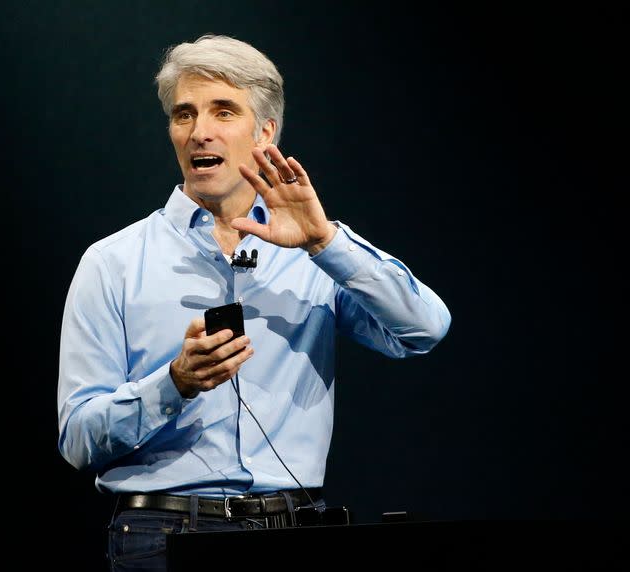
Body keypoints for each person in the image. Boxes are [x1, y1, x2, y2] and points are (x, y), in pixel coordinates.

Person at [57, 34, 451, 571]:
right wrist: (173, 383)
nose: (200, 132)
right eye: (184, 114)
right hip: (160, 534)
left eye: (223, 111)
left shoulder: (317, 256)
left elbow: (423, 329)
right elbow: (78, 438)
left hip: (295, 527)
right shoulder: (112, 262)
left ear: (265, 131)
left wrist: (324, 243)